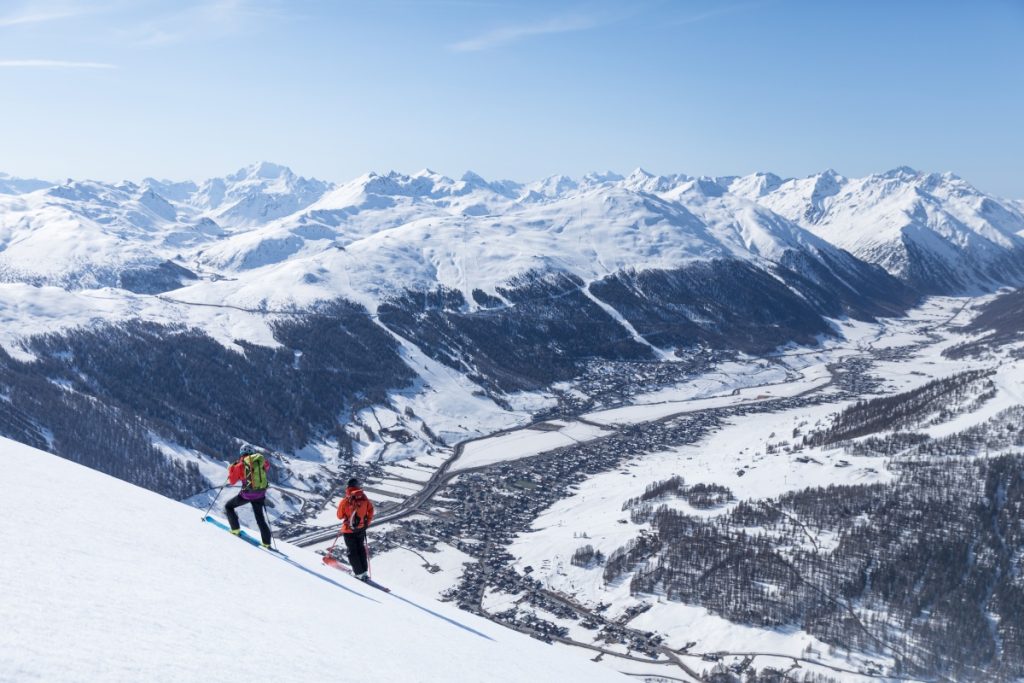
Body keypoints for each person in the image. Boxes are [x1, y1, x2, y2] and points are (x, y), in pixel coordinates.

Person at [225, 445, 273, 548]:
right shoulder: (261, 461)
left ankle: (235, 529)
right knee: (260, 518)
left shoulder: (240, 465)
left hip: (247, 494)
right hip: (260, 494)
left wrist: (232, 468)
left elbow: (232, 481)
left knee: (228, 506)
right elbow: (267, 466)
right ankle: (266, 542)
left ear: (241, 453)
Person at [336, 477, 375, 580]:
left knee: (352, 551)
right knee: (361, 549)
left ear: (348, 487)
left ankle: (358, 573)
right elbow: (371, 510)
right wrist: (366, 523)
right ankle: (364, 572)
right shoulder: (364, 498)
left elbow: (339, 516)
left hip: (349, 530)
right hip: (361, 529)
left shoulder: (346, 500)